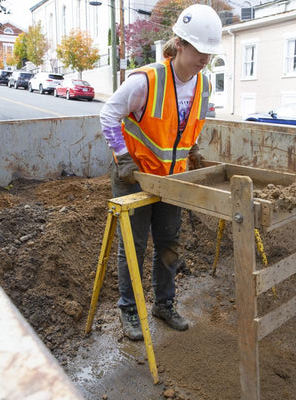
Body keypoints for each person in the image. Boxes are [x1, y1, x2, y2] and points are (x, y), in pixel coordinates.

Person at [99, 4, 224, 341]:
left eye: (210, 53)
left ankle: (163, 305)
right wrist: (123, 158)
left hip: (172, 179)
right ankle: (129, 309)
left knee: (169, 243)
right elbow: (108, 115)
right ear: (180, 44)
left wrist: (193, 147)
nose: (205, 59)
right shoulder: (146, 80)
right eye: (200, 50)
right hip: (134, 176)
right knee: (134, 246)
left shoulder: (204, 84)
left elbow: (189, 123)